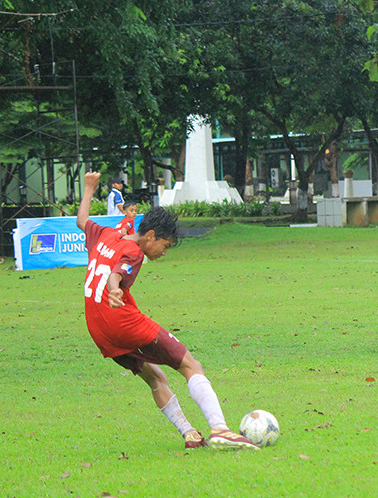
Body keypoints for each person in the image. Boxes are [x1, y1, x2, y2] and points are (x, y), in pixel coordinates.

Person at [76, 171, 258, 450]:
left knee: (154, 376)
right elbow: (117, 272)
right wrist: (114, 289)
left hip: (97, 328)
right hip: (120, 320)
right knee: (190, 365)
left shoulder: (107, 235)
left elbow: (82, 221)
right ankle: (220, 429)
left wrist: (89, 188)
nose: (164, 253)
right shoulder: (135, 252)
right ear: (150, 236)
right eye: (165, 245)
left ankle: (189, 434)